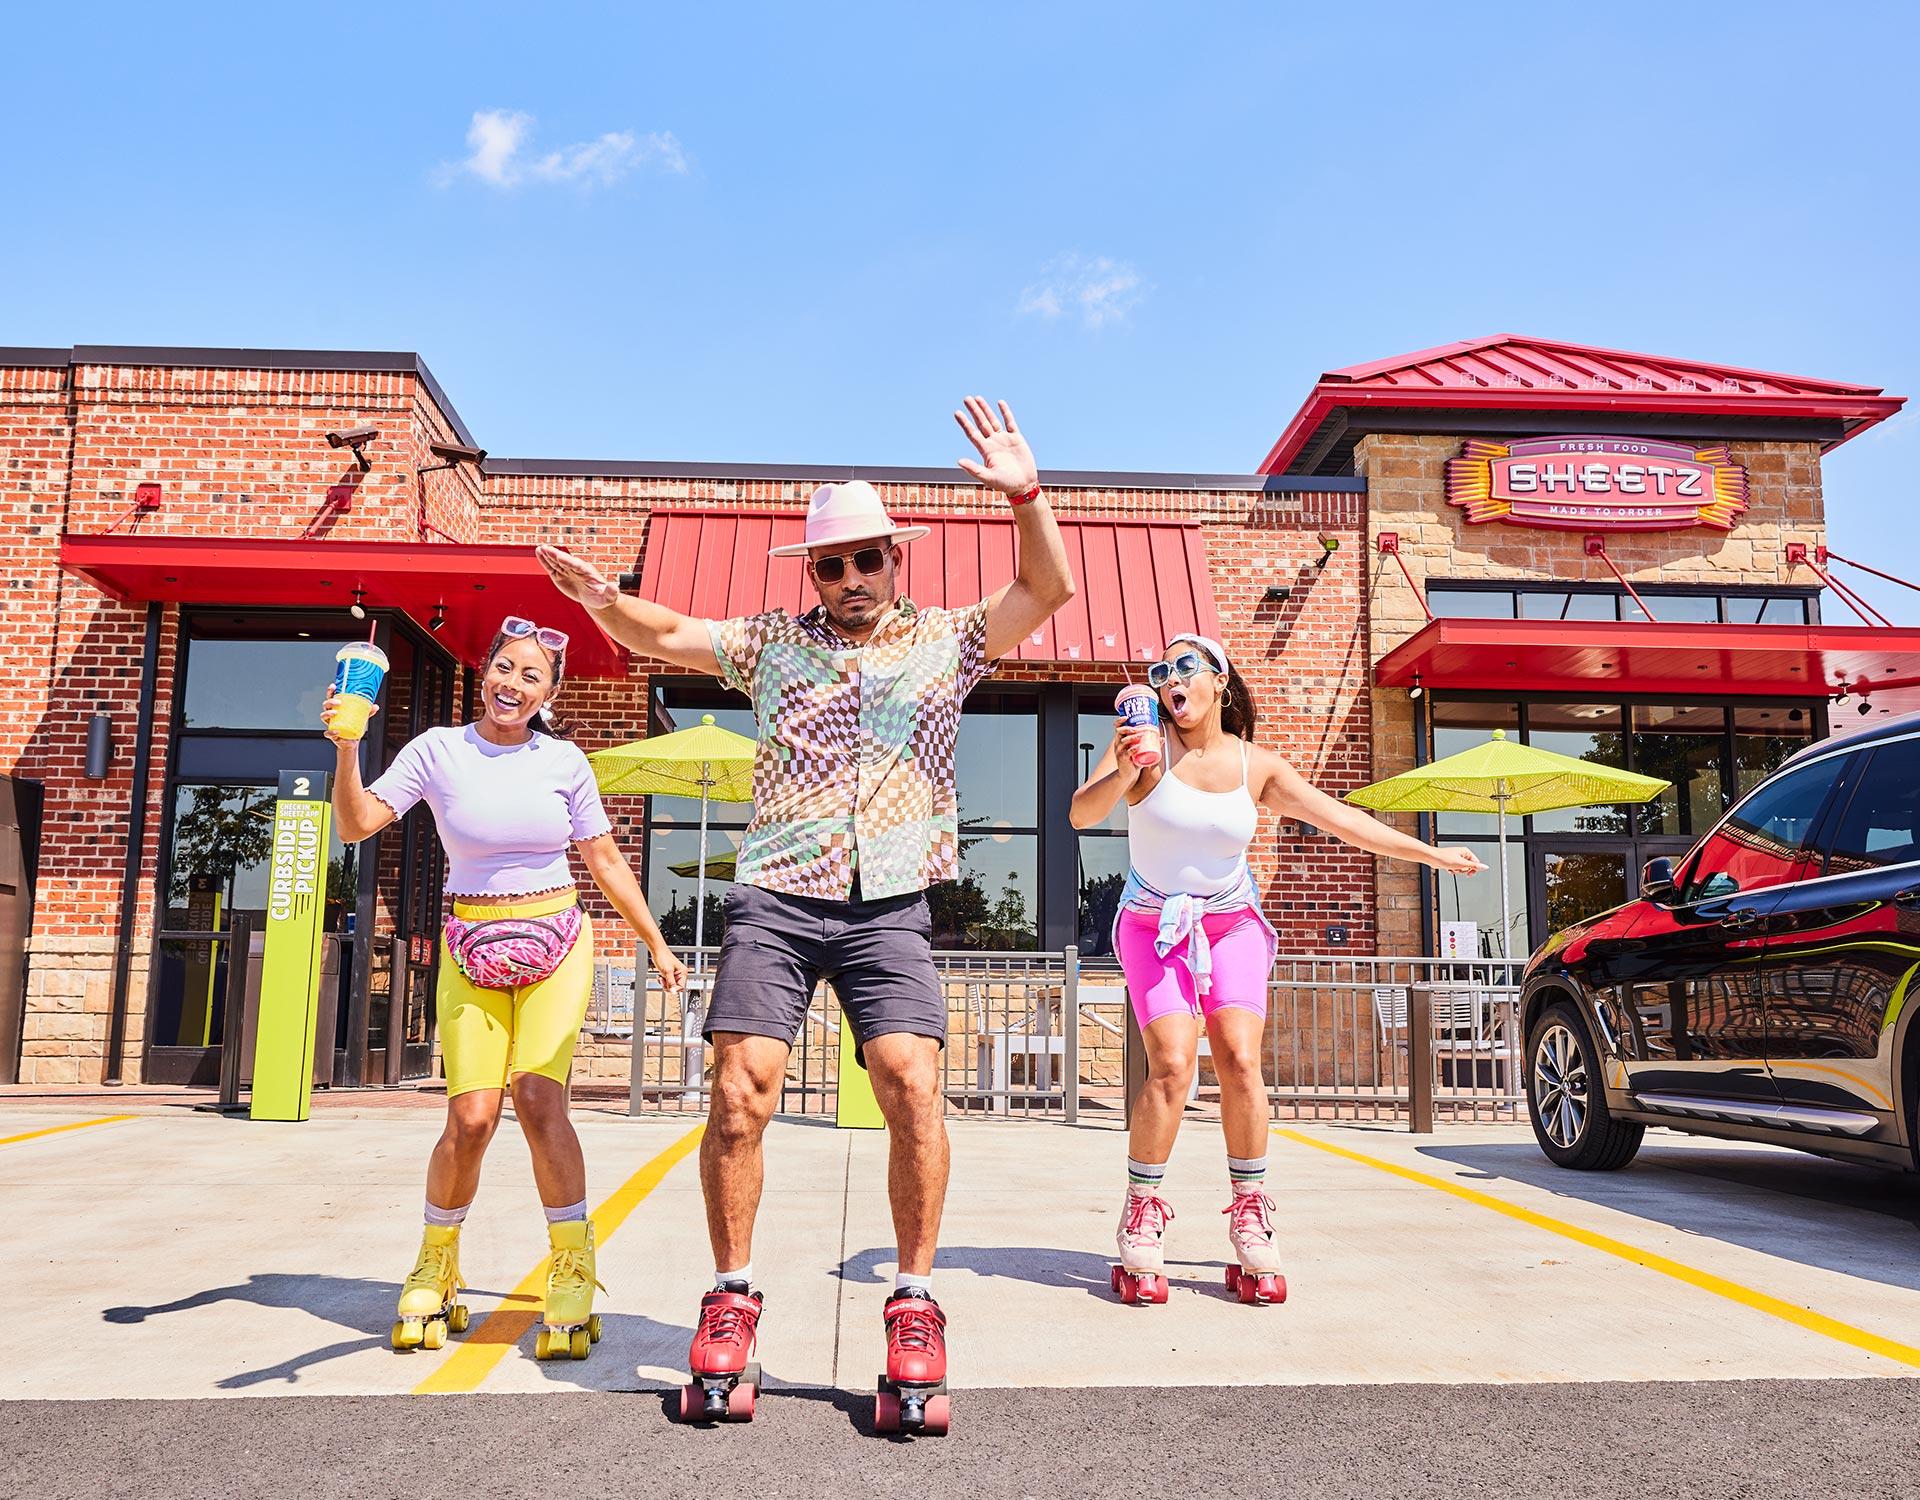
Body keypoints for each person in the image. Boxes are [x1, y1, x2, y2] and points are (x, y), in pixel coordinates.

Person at [537, 397, 1074, 1429]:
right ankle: (732, 1297)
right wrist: (607, 601)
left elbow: (1045, 587)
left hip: (890, 904)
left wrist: (1025, 495)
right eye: (831, 565)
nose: (851, 579)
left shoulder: (949, 641)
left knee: (913, 1084)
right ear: (812, 574)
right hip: (778, 893)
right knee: (741, 1090)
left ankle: (914, 1303)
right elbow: (666, 632)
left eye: (867, 559)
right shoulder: (770, 645)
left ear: (893, 560)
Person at [1070, 635, 1484, 1305]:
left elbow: (1344, 820)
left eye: (1185, 668)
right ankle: (1142, 1211)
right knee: (1173, 1065)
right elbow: (1079, 815)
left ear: (1218, 681)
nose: (1170, 681)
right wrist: (1121, 767)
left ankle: (1250, 1212)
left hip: (1231, 922)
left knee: (1239, 1059)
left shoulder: (1255, 765)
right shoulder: (1146, 752)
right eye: (1159, 672)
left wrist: (1431, 855)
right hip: (1153, 923)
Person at [324, 617, 687, 1360]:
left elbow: (606, 860)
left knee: (539, 1099)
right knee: (472, 1119)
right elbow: (357, 824)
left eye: (531, 677)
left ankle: (572, 1265)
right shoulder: (436, 751)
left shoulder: (564, 763)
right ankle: (437, 1261)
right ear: (485, 670)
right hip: (470, 944)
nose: (511, 685)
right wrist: (347, 746)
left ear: (548, 693)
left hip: (556, 940)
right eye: (503, 668)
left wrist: (655, 940)